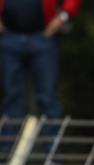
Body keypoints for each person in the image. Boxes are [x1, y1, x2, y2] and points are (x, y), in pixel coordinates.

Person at [0, 0, 81, 132]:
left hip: (44, 38)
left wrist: (64, 16)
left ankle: (52, 150)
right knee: (11, 99)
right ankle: (8, 150)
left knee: (48, 98)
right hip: (8, 38)